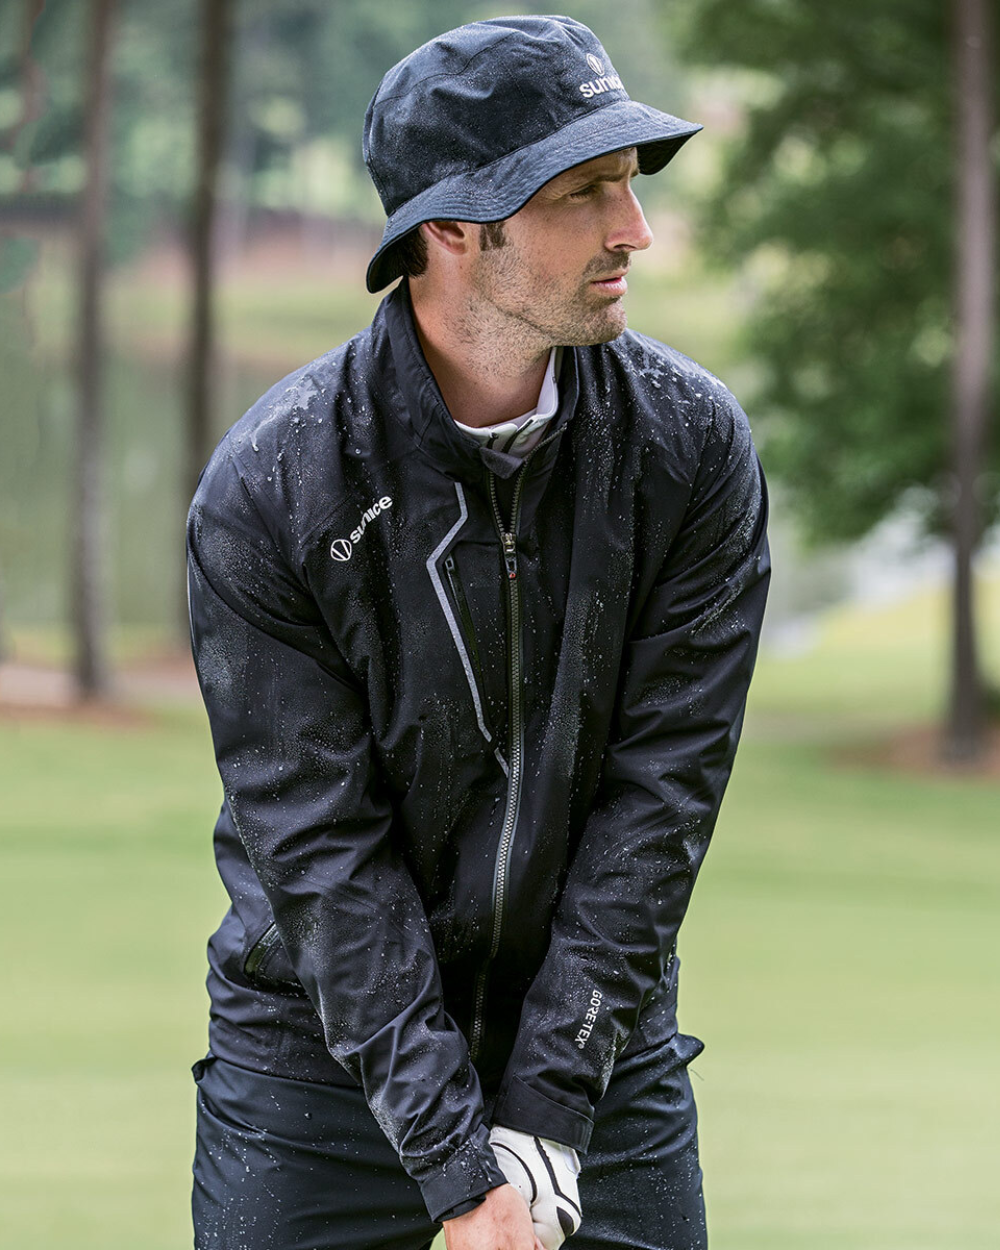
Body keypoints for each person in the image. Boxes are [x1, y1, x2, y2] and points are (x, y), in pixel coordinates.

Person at [186, 15, 770, 1250]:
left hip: (597, 1055)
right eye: (585, 192)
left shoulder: (688, 449)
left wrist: (548, 1114)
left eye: (631, 184)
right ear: (453, 227)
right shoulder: (276, 485)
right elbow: (321, 848)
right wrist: (458, 1170)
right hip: (317, 1079)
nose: (636, 229)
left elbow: (661, 794)